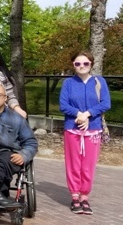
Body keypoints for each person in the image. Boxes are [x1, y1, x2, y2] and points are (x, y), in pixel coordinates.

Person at [59, 51, 111, 215]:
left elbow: (105, 103)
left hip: (93, 129)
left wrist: (88, 114)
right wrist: (78, 115)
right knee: (73, 164)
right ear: (73, 65)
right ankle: (75, 196)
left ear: (91, 64)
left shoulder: (99, 81)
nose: (82, 66)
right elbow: (63, 105)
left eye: (85, 63)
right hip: (72, 128)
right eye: (78, 63)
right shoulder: (68, 83)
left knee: (88, 165)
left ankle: (84, 196)